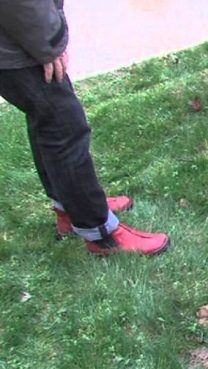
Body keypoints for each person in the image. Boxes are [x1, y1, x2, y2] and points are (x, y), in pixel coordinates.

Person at [0, 0, 170, 255]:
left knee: (47, 119)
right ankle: (101, 234)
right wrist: (49, 44)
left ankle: (69, 209)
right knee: (64, 126)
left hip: (17, 38)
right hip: (18, 41)